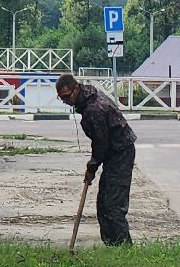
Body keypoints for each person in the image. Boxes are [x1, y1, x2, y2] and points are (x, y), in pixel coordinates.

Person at [55, 73, 136, 246]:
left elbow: (101, 144)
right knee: (103, 204)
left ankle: (123, 248)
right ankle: (111, 245)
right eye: (61, 98)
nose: (66, 101)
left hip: (121, 153)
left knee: (113, 205)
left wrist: (91, 167)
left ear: (76, 89)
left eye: (67, 97)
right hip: (112, 154)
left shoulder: (94, 109)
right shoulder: (89, 97)